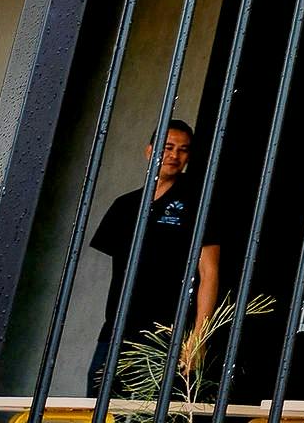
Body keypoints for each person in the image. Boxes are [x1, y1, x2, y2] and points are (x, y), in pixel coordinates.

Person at [86, 120, 221, 406]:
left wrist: (198, 337)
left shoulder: (197, 203)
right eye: (168, 147)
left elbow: (209, 272)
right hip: (117, 330)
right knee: (100, 406)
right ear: (150, 151)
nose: (174, 155)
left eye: (183, 150)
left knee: (155, 411)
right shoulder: (125, 205)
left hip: (169, 335)